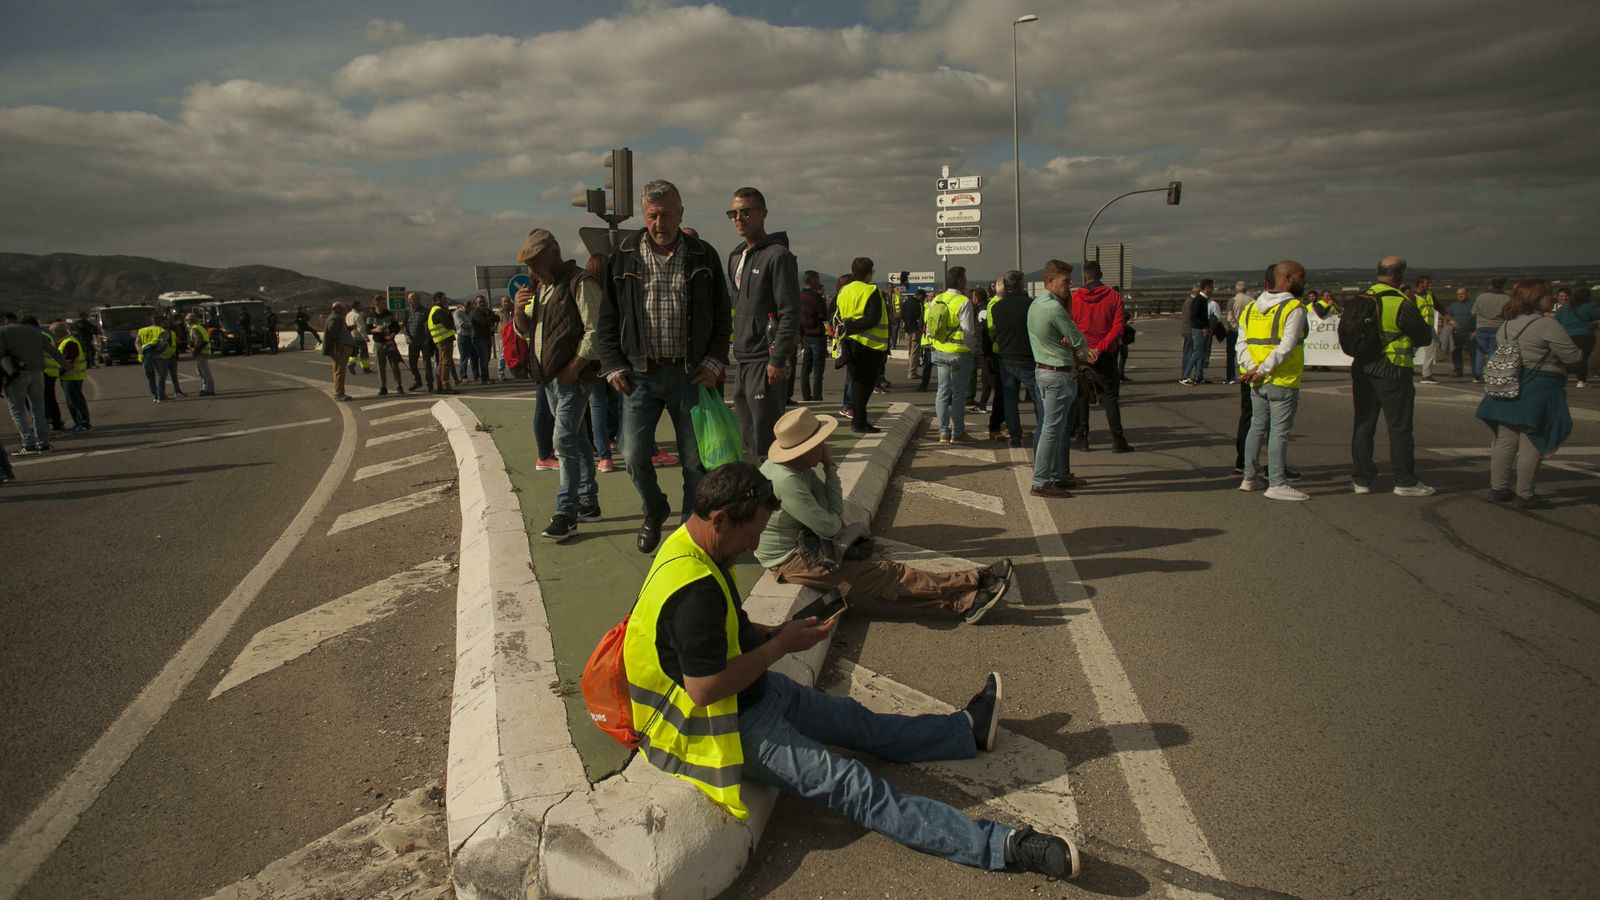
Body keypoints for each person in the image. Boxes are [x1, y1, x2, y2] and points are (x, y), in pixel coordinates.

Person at [622, 462, 1081, 879]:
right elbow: (704, 689)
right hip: (720, 727)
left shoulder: (692, 546)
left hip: (754, 695)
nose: (755, 544)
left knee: (858, 722)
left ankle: (964, 731)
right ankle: (1002, 846)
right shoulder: (694, 592)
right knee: (853, 785)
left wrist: (778, 631)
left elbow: (725, 630)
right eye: (752, 534)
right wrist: (781, 645)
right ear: (720, 519)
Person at [757, 407, 1015, 621]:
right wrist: (831, 468)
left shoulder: (794, 468)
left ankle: (964, 602)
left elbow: (830, 511)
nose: (824, 446)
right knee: (887, 574)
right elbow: (831, 524)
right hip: (791, 559)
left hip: (805, 543)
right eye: (819, 444)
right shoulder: (787, 481)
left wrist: (829, 470)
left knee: (880, 582)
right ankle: (973, 579)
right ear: (803, 450)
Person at [596, 178, 731, 555]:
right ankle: (654, 509)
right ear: (644, 214)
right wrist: (613, 365)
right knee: (633, 456)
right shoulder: (623, 256)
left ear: (681, 213)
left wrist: (713, 361)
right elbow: (608, 317)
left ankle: (689, 530)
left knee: (694, 462)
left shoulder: (703, 254)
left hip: (691, 374)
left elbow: (722, 314)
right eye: (653, 215)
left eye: (667, 215)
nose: (660, 223)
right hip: (639, 375)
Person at [513, 229, 603, 541]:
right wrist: (517, 310)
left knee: (563, 441)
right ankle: (589, 502)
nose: (532, 269)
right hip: (551, 379)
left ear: (554, 253)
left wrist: (574, 368)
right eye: (528, 264)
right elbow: (527, 331)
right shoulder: (543, 289)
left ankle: (567, 512)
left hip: (571, 379)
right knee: (577, 440)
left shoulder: (580, 282)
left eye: (536, 262)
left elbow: (595, 331)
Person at [1475, 279, 1579, 509]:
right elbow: (1573, 356)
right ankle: (1525, 494)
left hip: (1509, 384)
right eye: (1548, 295)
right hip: (1539, 386)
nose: (1552, 299)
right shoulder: (1546, 325)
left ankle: (1498, 488)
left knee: (1506, 438)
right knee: (1533, 438)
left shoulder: (1506, 324)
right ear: (1536, 298)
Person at [1350, 256, 1435, 496]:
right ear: (1399, 275)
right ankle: (1404, 480)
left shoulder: (1361, 298)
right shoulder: (1400, 303)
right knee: (1399, 427)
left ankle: (1361, 479)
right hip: (1393, 368)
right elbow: (1424, 336)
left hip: (1363, 367)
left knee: (1363, 423)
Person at [724, 187, 798, 457]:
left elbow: (790, 311)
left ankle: (773, 483)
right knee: (748, 439)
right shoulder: (735, 256)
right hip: (743, 359)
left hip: (765, 360)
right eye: (733, 213)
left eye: (745, 212)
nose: (738, 218)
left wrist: (777, 359)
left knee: (767, 440)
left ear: (763, 213)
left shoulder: (778, 256)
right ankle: (756, 483)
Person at [1237, 260, 1311, 501]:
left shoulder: (1251, 308)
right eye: (1301, 277)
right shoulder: (1294, 308)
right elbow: (1286, 346)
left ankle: (1249, 477)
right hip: (1282, 379)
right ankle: (1277, 482)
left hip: (1256, 380)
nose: (1304, 281)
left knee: (1256, 427)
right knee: (1279, 432)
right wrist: (1264, 370)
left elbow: (1241, 344)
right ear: (1288, 279)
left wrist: (1252, 368)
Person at [1030, 260, 1089, 496]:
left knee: (1054, 427)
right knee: (1052, 429)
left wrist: (1066, 341)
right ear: (1050, 281)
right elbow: (1078, 339)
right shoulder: (1055, 308)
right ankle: (1042, 481)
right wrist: (1079, 352)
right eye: (1066, 281)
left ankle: (1054, 475)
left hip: (1044, 369)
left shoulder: (1036, 304)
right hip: (1057, 373)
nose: (1070, 284)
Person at [1070, 261, 1132, 453]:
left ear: (1085, 277)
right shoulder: (1114, 297)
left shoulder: (1075, 297)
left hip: (1082, 353)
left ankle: (1083, 438)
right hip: (1104, 354)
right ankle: (1117, 439)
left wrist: (1085, 348)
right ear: (1101, 275)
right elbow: (1118, 328)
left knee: (1082, 397)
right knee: (1110, 396)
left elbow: (1070, 326)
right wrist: (1100, 349)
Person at [834, 258, 891, 435]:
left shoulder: (844, 290)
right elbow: (873, 318)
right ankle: (859, 421)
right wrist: (851, 326)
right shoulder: (871, 290)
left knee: (857, 383)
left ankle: (859, 420)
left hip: (849, 343)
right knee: (864, 387)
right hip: (869, 345)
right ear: (868, 273)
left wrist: (846, 328)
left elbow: (837, 314)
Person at [927, 266, 981, 442]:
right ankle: (957, 432)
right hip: (959, 353)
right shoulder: (964, 302)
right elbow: (968, 332)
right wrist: (973, 349)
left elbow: (930, 327)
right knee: (958, 394)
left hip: (940, 352)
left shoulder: (937, 299)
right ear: (960, 281)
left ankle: (943, 432)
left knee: (942, 392)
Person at [0, 315, 65, 452]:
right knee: (38, 409)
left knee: (17, 410)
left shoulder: (3, 332)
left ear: (5, 321)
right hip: (37, 373)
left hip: (16, 374)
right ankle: (43, 442)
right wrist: (64, 363)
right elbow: (52, 349)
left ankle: (28, 443)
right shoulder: (34, 332)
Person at [989, 270, 1037, 449]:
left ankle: (1015, 434)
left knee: (1010, 396)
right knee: (1037, 395)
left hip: (1006, 356)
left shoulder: (996, 307)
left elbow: (994, 331)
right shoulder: (1030, 305)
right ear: (1021, 285)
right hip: (1027, 355)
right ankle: (1043, 431)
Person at [1552, 287, 1599, 388]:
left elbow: (1556, 320)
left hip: (1568, 335)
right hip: (1585, 335)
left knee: (1567, 357)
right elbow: (1597, 315)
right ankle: (1581, 380)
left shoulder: (1563, 308)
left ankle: (1564, 377)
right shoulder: (1588, 307)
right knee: (1583, 358)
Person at [50, 321, 91, 431]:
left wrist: (55, 373)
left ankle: (83, 423)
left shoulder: (69, 343)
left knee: (75, 401)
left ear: (58, 332)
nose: (53, 335)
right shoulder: (65, 342)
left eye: (53, 332)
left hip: (72, 377)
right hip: (69, 377)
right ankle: (79, 423)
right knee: (72, 402)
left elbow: (67, 362)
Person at [1470, 277, 1510, 383]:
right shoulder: (1506, 298)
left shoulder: (1481, 296)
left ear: (1491, 285)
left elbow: (1473, 312)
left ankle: (1477, 374)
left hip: (1481, 326)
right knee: (1493, 351)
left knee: (1480, 351)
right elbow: (1508, 314)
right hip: (1497, 326)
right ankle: (1491, 374)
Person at [797, 270, 828, 402]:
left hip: (805, 335)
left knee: (805, 368)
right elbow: (824, 316)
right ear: (813, 280)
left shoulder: (799, 297)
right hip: (817, 335)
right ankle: (817, 395)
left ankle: (806, 395)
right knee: (818, 369)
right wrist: (822, 297)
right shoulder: (817, 298)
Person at [369, 296, 407, 396]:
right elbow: (367, 329)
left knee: (395, 364)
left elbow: (397, 327)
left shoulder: (390, 314)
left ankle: (399, 385)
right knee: (380, 366)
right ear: (377, 304)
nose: (384, 305)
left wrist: (393, 334)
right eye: (382, 303)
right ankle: (383, 387)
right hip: (379, 343)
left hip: (390, 342)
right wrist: (375, 330)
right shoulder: (371, 316)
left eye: (384, 303)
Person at [323, 302, 361, 401]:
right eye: (343, 308)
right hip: (340, 348)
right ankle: (339, 394)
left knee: (339, 371)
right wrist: (340, 341)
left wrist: (348, 328)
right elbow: (332, 330)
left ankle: (340, 392)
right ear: (337, 309)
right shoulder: (335, 318)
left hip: (340, 347)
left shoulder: (337, 318)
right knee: (340, 371)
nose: (345, 310)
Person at [1180, 279, 1214, 385]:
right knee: (1197, 352)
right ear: (1207, 288)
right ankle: (1185, 375)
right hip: (1198, 329)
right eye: (1211, 287)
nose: (1213, 289)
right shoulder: (1199, 300)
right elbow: (1194, 316)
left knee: (1201, 353)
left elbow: (1203, 317)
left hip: (1201, 329)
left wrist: (1207, 327)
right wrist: (1204, 327)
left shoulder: (1202, 299)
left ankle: (1199, 376)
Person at [35, 320, 66, 434]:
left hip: (47, 371)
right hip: (50, 371)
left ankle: (55, 423)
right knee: (49, 399)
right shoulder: (46, 336)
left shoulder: (41, 337)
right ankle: (54, 422)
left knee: (48, 400)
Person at [404, 293, 436, 392]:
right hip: (412, 342)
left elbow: (429, 326)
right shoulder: (407, 312)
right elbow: (405, 326)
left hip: (424, 341)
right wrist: (406, 336)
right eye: (409, 300)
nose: (410, 301)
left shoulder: (424, 312)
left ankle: (429, 383)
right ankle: (417, 380)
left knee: (427, 363)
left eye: (412, 299)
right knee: (412, 363)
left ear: (417, 300)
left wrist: (428, 339)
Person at [136, 313, 171, 401]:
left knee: (150, 377)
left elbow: (137, 343)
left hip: (145, 357)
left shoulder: (142, 330)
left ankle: (154, 396)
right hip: (157, 356)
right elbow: (163, 343)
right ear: (161, 322)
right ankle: (161, 395)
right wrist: (157, 351)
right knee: (161, 375)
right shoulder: (162, 331)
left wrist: (142, 351)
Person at [429, 292, 458, 394]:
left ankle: (440, 386)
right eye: (443, 299)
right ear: (437, 300)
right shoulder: (439, 311)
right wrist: (448, 313)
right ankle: (445, 385)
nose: (445, 300)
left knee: (442, 362)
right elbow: (449, 324)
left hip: (440, 339)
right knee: (446, 362)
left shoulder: (433, 310)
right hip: (444, 339)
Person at [1446, 287, 1475, 378]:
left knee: (1473, 353)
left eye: (1462, 294)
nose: (1460, 296)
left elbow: (1479, 318)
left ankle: (1476, 373)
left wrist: (1476, 331)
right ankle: (1458, 370)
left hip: (1470, 333)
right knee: (1456, 353)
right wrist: (1449, 322)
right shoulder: (1453, 306)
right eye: (1458, 294)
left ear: (1467, 294)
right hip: (1457, 333)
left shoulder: (1473, 304)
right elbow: (1447, 317)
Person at [186, 313, 216, 396]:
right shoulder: (198, 327)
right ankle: (206, 388)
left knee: (204, 371)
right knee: (202, 371)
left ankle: (209, 389)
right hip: (203, 351)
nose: (186, 322)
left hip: (201, 352)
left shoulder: (195, 328)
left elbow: (198, 340)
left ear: (190, 320)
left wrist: (195, 351)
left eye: (186, 320)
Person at [470, 295, 496, 385]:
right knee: (483, 358)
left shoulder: (487, 311)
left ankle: (485, 376)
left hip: (487, 337)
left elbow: (496, 318)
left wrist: (490, 318)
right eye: (480, 302)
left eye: (483, 301)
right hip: (479, 338)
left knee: (487, 358)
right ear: (476, 304)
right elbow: (485, 322)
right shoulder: (475, 313)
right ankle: (484, 378)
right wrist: (490, 318)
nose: (482, 303)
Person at [902, 288, 925, 380]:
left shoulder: (905, 303)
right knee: (914, 353)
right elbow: (919, 318)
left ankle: (910, 370)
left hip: (907, 330)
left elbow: (902, 316)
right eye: (923, 298)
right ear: (920, 296)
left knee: (910, 352)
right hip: (915, 330)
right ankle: (912, 373)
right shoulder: (917, 304)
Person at [453, 300, 475, 382]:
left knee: (474, 356)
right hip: (463, 337)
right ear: (462, 306)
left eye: (469, 308)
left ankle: (476, 375)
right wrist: (471, 324)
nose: (468, 310)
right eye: (466, 307)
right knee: (464, 358)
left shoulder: (470, 313)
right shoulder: (457, 313)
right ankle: (463, 376)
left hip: (470, 337)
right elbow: (462, 325)